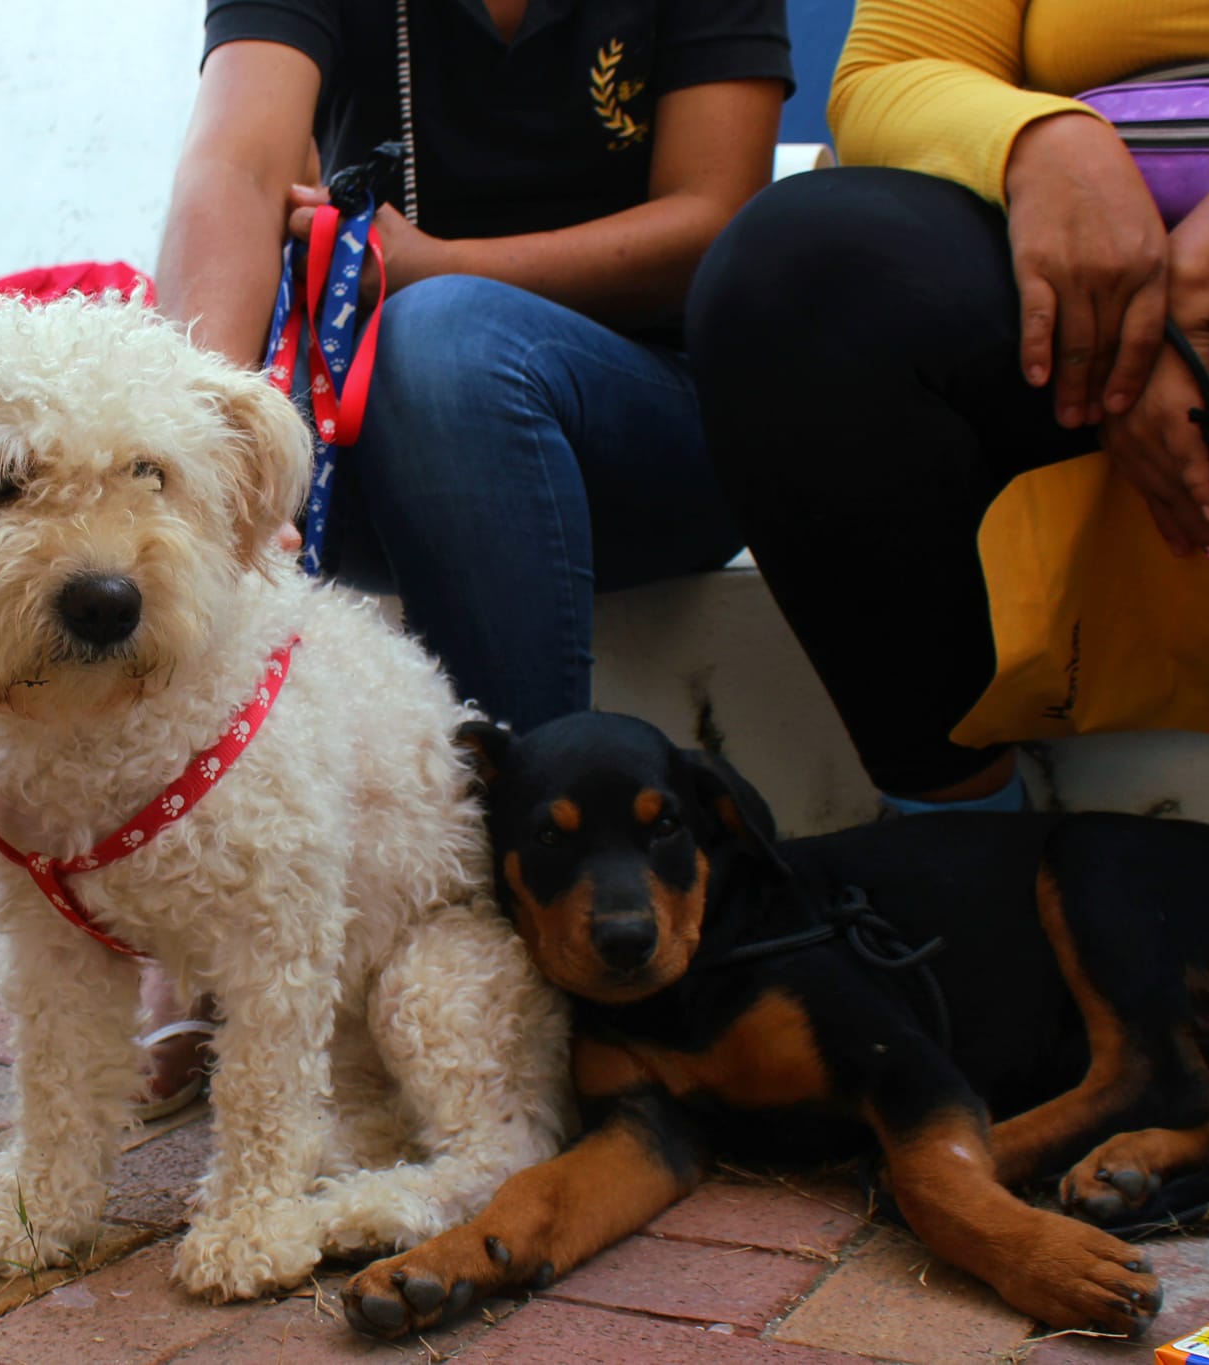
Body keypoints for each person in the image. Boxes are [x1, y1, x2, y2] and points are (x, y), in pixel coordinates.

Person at [143, 0, 793, 1109]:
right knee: (165, 483)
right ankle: (198, 916)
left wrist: (440, 266)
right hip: (389, 433)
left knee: (444, 339)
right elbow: (234, 170)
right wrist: (194, 454)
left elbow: (715, 219)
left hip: (656, 428)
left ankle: (526, 935)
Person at [689, 0, 1209, 817]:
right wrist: (1045, 142)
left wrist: (1195, 287)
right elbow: (888, 74)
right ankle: (960, 847)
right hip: (1072, 275)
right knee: (799, 276)